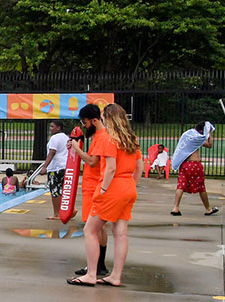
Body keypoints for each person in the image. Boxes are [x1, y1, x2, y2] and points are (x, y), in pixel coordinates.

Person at [68, 104, 143, 287]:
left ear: (108, 119)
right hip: (128, 187)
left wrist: (103, 190)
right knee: (120, 233)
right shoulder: (131, 139)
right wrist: (131, 184)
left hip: (112, 187)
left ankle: (91, 274)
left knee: (90, 230)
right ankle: (116, 276)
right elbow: (139, 166)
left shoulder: (110, 139)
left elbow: (110, 167)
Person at [67, 104, 110, 277]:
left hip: (94, 187)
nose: (84, 126)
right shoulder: (99, 136)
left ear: (94, 120)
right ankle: (99, 265)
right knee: (99, 228)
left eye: (85, 122)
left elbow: (93, 162)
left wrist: (77, 149)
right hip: (93, 186)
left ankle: (94, 266)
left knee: (91, 230)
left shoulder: (101, 137)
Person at [171, 122, 217, 216]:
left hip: (184, 165)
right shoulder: (198, 138)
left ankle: (175, 208)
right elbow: (209, 145)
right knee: (201, 187)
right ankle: (208, 209)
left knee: (181, 185)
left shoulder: (188, 135)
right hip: (195, 165)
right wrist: (209, 134)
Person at [39, 121, 71, 220]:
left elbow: (52, 152)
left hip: (55, 168)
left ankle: (56, 213)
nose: (50, 128)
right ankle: (69, 210)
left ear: (58, 128)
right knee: (64, 190)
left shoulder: (54, 138)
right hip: (64, 166)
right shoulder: (66, 137)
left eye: (52, 126)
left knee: (55, 191)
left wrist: (45, 166)